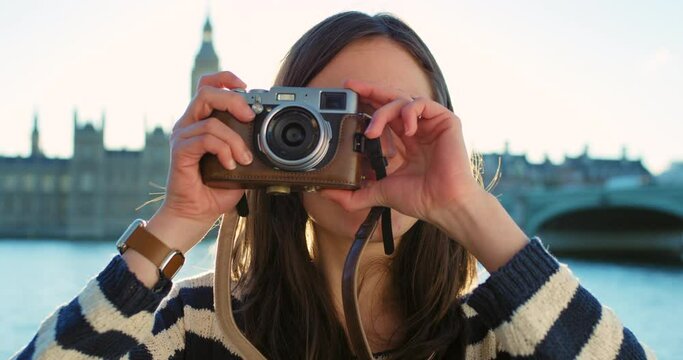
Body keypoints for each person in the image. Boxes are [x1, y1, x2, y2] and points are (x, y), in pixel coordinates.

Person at [13, 11, 654, 360]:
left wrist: (468, 208)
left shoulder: (503, 339)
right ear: (269, 129)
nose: (366, 143)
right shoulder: (186, 327)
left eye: (397, 117)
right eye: (325, 118)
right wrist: (178, 220)